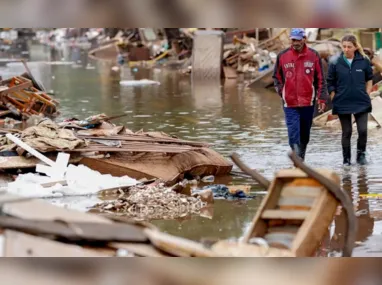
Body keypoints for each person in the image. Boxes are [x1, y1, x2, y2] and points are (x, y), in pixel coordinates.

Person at [273, 28, 327, 161]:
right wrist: (282, 92)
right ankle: (296, 158)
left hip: (308, 102)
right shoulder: (283, 56)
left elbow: (320, 79)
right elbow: (276, 77)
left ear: (304, 39)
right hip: (290, 103)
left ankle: (301, 159)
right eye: (293, 40)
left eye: (298, 40)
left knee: (304, 135)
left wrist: (321, 99)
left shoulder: (313, 55)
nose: (295, 42)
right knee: (293, 132)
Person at [326, 34, 373, 166]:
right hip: (342, 101)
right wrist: (333, 95)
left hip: (361, 101)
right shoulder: (335, 62)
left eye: (349, 47)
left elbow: (369, 78)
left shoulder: (364, 60)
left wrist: (367, 93)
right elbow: (330, 81)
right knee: (347, 132)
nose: (346, 49)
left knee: (363, 131)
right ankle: (346, 160)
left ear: (355, 47)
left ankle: (360, 157)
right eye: (344, 46)